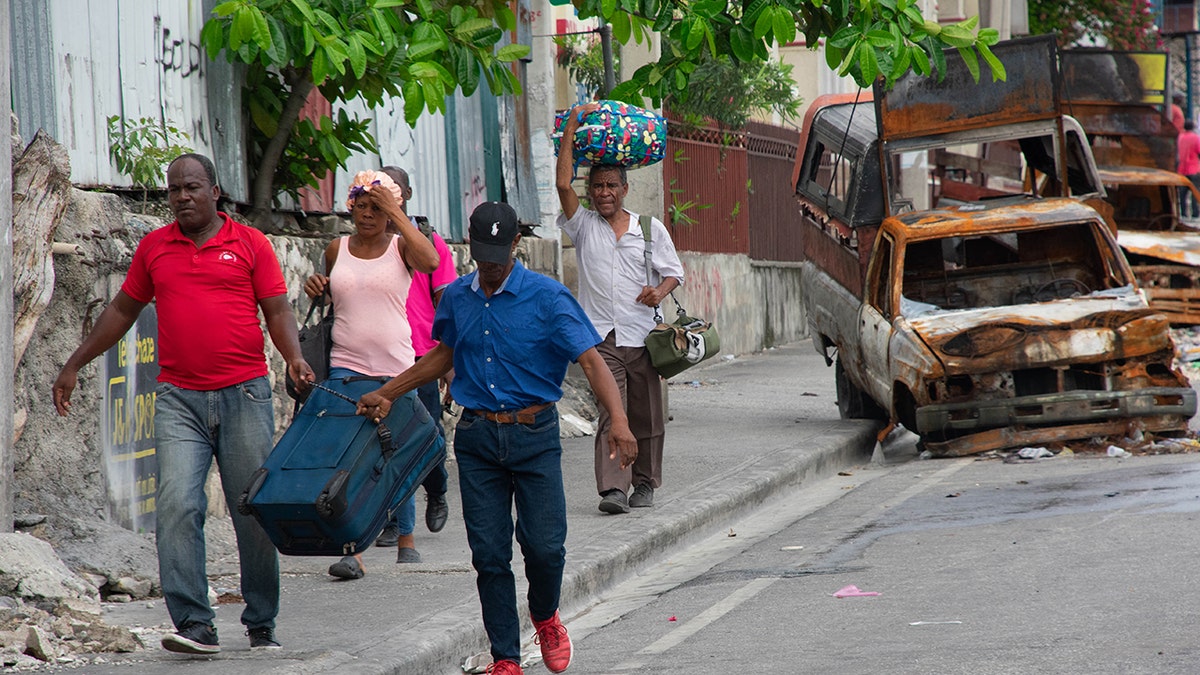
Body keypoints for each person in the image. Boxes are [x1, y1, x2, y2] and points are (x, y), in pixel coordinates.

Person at [355, 201, 638, 675]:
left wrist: (620, 422)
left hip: (535, 436)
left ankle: (545, 616)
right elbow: (442, 356)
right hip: (477, 437)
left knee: (545, 548)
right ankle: (505, 657)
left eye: (497, 254)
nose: (488, 265)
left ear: (516, 245)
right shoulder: (458, 298)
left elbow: (590, 360)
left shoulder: (548, 297)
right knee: (489, 555)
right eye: (480, 254)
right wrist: (388, 392)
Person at [51, 153, 314, 655]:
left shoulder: (250, 243)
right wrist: (75, 363)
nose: (182, 197)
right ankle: (195, 624)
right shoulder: (154, 248)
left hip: (244, 394)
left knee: (251, 510)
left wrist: (295, 359)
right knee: (175, 505)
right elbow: (123, 309)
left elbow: (277, 309)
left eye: (192, 187)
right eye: (174, 190)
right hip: (178, 400)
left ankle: (261, 622)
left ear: (216, 192)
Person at [303, 170, 439, 578]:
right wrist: (316, 286)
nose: (367, 215)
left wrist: (395, 213)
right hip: (346, 366)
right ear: (351, 208)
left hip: (397, 367)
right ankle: (353, 549)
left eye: (376, 208)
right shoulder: (335, 248)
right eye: (362, 206)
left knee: (396, 452)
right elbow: (334, 295)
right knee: (347, 456)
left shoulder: (402, 249)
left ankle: (406, 538)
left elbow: (431, 261)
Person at [555, 102, 686, 515]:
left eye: (612, 186)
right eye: (598, 187)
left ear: (624, 189)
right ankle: (613, 488)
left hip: (643, 337)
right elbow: (562, 185)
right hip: (600, 338)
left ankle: (644, 483)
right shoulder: (583, 225)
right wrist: (573, 126)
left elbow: (674, 273)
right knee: (613, 412)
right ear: (590, 191)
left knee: (646, 416)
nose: (605, 193)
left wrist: (658, 292)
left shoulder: (648, 228)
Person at [372, 165, 457, 547]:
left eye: (395, 190)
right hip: (376, 357)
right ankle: (389, 518)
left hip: (421, 357)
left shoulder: (426, 242)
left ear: (405, 194)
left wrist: (449, 361)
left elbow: (446, 303)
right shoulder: (366, 242)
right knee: (382, 441)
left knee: (426, 436)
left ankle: (436, 486)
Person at [1179, 120, 1200, 219]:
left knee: (1182, 194)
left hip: (1182, 170)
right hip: (1194, 169)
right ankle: (1195, 213)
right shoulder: (1196, 138)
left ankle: (1183, 213)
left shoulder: (1180, 137)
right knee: (1195, 192)